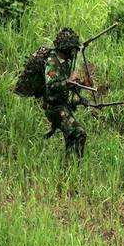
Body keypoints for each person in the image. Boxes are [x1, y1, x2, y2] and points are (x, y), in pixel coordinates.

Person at [43, 28, 87, 157]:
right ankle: (72, 166)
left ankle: (70, 167)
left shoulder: (65, 64)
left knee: (73, 136)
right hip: (54, 108)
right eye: (73, 48)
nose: (75, 51)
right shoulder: (52, 62)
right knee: (78, 133)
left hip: (62, 105)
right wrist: (68, 82)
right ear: (66, 48)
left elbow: (69, 87)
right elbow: (51, 86)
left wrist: (80, 89)